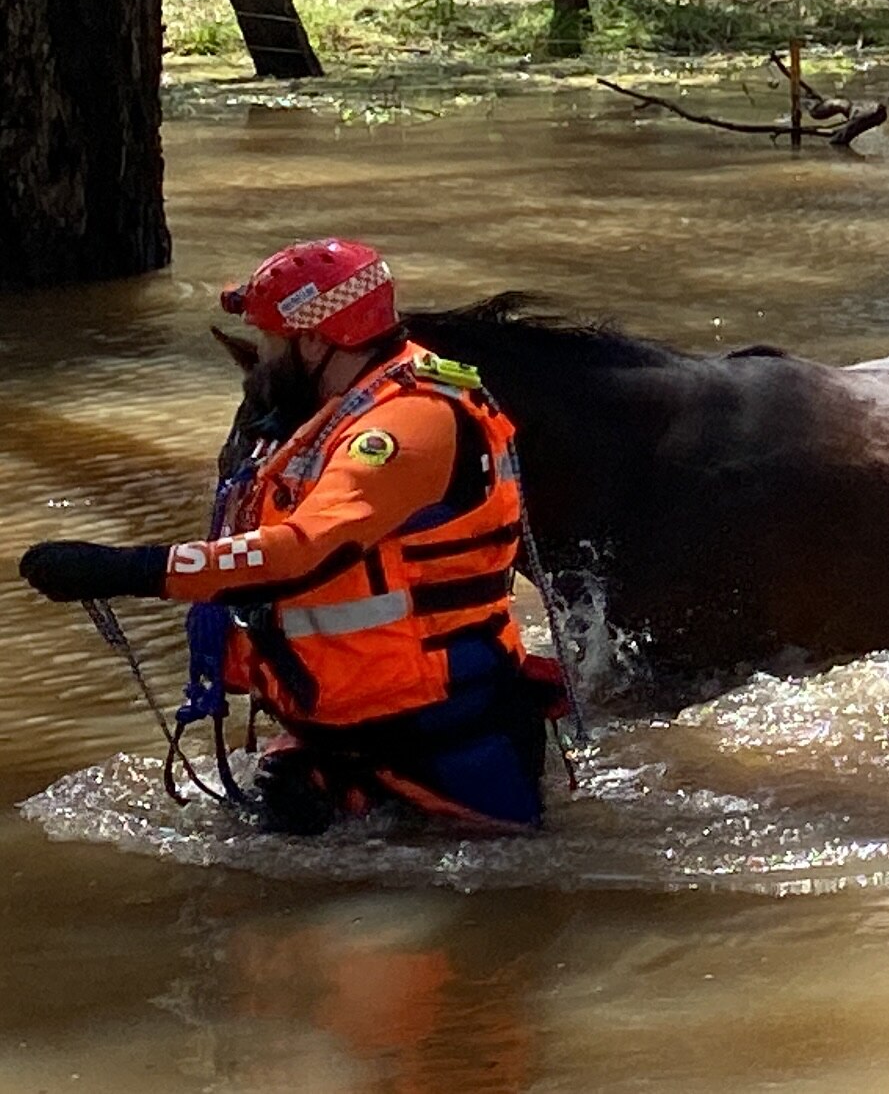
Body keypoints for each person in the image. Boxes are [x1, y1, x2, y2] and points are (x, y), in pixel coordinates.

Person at [19, 239, 560, 834]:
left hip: (440, 738)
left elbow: (301, 553)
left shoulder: (409, 421)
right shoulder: (335, 405)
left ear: (315, 341)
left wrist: (126, 569)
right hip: (354, 728)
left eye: (272, 342)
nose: (264, 359)